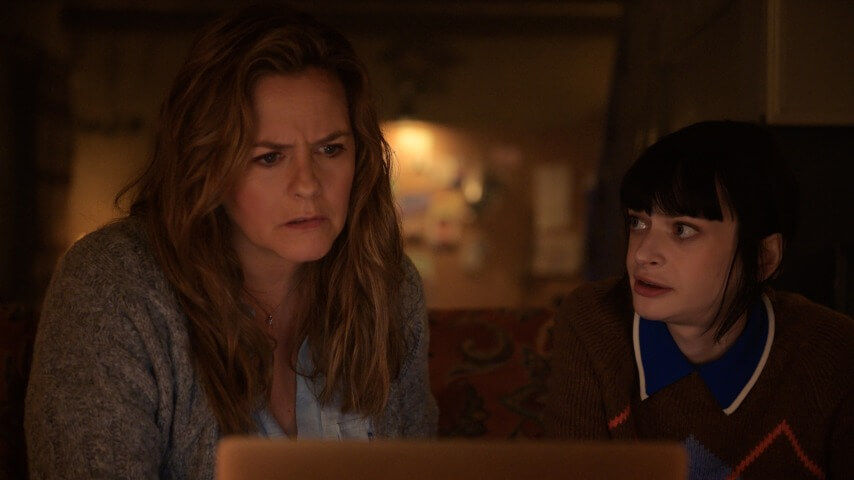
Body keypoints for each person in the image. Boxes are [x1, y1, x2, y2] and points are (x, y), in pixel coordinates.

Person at [25, 5, 437, 478]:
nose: (308, 184)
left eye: (330, 149)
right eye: (269, 157)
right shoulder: (113, 288)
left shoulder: (387, 284)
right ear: (208, 164)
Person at [544, 121, 854, 479]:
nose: (642, 254)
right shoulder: (593, 322)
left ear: (763, 258)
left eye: (682, 229)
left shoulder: (835, 353)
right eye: (638, 223)